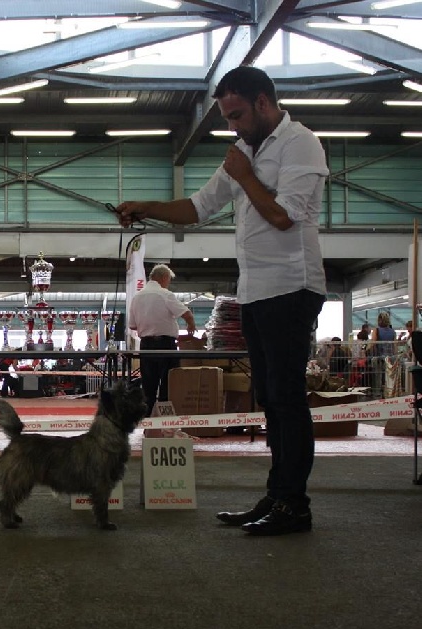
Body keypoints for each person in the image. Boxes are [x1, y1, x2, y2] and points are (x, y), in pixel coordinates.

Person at [116, 65, 328, 536]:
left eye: (236, 115)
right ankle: (277, 496)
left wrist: (246, 175)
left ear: (264, 102)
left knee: (287, 398)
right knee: (271, 400)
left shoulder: (300, 143)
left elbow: (284, 218)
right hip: (253, 292)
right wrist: (144, 207)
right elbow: (197, 208)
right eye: (226, 117)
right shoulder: (242, 153)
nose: (232, 125)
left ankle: (295, 505)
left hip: (292, 289)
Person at [128, 264, 196, 416]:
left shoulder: (136, 297)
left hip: (146, 346)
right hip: (165, 345)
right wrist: (191, 324)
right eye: (169, 280)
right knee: (169, 383)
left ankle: (148, 422)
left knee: (148, 386)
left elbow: (132, 325)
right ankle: (166, 420)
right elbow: (186, 313)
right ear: (164, 278)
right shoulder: (165, 294)